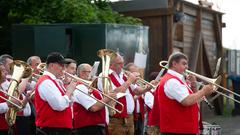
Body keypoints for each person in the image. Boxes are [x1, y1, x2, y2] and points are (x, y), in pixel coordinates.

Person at [152, 52, 214, 135]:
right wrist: (203, 91)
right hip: (178, 129)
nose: (187, 67)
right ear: (174, 64)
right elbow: (186, 101)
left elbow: (193, 99)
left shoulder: (177, 79)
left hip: (182, 128)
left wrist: (194, 85)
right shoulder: (172, 81)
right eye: (184, 64)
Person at [97, 53, 152, 135]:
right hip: (116, 119)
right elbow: (115, 92)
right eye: (119, 63)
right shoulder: (104, 76)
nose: (122, 65)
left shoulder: (124, 75)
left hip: (129, 118)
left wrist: (148, 87)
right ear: (111, 65)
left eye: (123, 62)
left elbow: (137, 91)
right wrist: (129, 81)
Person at [34, 52, 77, 135]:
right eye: (61, 65)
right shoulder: (46, 81)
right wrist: (69, 91)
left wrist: (70, 91)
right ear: (51, 65)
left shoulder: (54, 81)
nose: (63, 68)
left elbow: (69, 104)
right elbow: (59, 105)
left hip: (58, 129)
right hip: (52, 130)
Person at [72, 63, 116, 135]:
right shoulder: (80, 87)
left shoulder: (91, 88)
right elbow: (94, 107)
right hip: (88, 129)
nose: (94, 75)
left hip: (97, 127)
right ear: (82, 73)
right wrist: (108, 97)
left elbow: (104, 105)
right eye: (90, 72)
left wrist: (112, 99)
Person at [125, 62, 145, 135]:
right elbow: (132, 99)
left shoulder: (138, 85)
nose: (136, 75)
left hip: (140, 114)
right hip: (132, 115)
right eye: (133, 72)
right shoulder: (127, 83)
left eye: (137, 72)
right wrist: (141, 93)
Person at [0, 62, 9, 135]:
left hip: (7, 127)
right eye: (3, 71)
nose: (6, 72)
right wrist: (8, 104)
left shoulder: (3, 87)